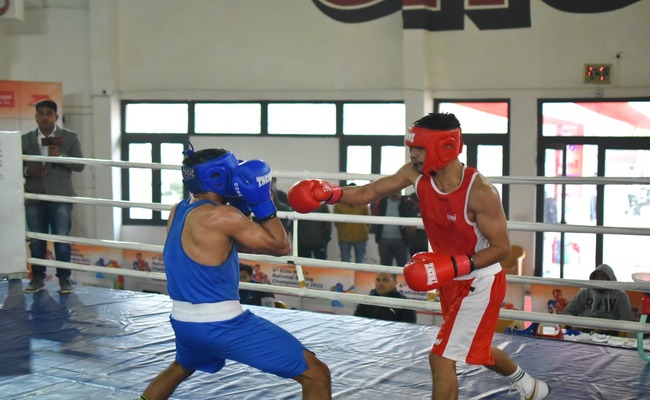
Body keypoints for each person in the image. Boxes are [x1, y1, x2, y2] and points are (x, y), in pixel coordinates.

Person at [287, 112, 550, 400]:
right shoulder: (415, 173)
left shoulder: (480, 192)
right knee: (475, 347)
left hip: (480, 281)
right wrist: (329, 194)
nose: (412, 154)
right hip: (449, 277)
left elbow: (502, 249)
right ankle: (529, 385)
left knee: (441, 358)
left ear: (445, 147)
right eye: (411, 147)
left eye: (419, 148)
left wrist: (456, 264)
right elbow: (371, 191)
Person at [140, 147, 331, 400]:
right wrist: (261, 201)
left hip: (184, 323)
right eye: (232, 171)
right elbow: (280, 245)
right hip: (220, 325)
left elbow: (228, 242)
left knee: (181, 367)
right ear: (218, 176)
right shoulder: (223, 216)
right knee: (316, 373)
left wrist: (242, 207)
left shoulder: (179, 210)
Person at [22, 100, 85, 294]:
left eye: (49, 113)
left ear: (56, 117)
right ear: (35, 117)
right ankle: (37, 279)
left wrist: (61, 156)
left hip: (61, 197)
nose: (44, 116)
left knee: (61, 239)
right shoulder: (24, 140)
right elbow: (11, 166)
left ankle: (64, 280)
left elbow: (80, 165)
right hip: (34, 196)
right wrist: (27, 170)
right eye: (40, 113)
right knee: (36, 240)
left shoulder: (69, 137)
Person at [563, 264, 634, 336]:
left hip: (610, 332)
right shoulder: (585, 291)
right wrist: (574, 323)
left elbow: (626, 318)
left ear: (610, 278)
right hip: (585, 330)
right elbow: (568, 311)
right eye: (597, 276)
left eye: (603, 276)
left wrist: (606, 329)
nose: (600, 279)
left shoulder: (620, 294)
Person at [333, 184, 370, 263]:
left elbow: (368, 220)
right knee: (345, 261)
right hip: (344, 237)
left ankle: (359, 276)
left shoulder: (363, 203)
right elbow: (336, 222)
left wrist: (364, 230)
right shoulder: (339, 205)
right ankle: (346, 276)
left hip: (361, 237)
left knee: (360, 262)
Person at [371, 191, 410, 266]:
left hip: (401, 240)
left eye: (398, 191)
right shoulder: (382, 201)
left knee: (403, 267)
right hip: (384, 240)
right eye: (394, 191)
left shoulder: (405, 202)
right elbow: (376, 215)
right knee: (385, 267)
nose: (395, 194)